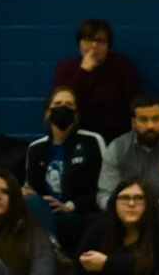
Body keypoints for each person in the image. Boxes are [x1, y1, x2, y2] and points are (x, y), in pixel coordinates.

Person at [97, 95, 159, 238]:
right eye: (144, 120)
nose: (150, 126)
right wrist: (127, 209)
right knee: (97, 223)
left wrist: (144, 208)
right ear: (133, 123)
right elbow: (104, 194)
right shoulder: (117, 147)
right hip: (125, 215)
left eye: (156, 119)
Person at [23, 87, 105, 256]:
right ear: (47, 113)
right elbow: (33, 189)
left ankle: (48, 250)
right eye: (58, 104)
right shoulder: (35, 148)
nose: (63, 108)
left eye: (69, 105)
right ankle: (52, 247)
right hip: (46, 213)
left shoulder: (92, 141)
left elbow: (105, 188)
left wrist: (70, 205)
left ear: (76, 114)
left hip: (79, 214)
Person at [50, 18, 142, 141]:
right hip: (77, 130)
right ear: (80, 44)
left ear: (108, 46)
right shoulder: (66, 67)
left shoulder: (120, 65)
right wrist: (84, 71)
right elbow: (64, 102)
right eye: (88, 40)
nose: (94, 46)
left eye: (100, 41)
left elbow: (134, 100)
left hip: (114, 131)